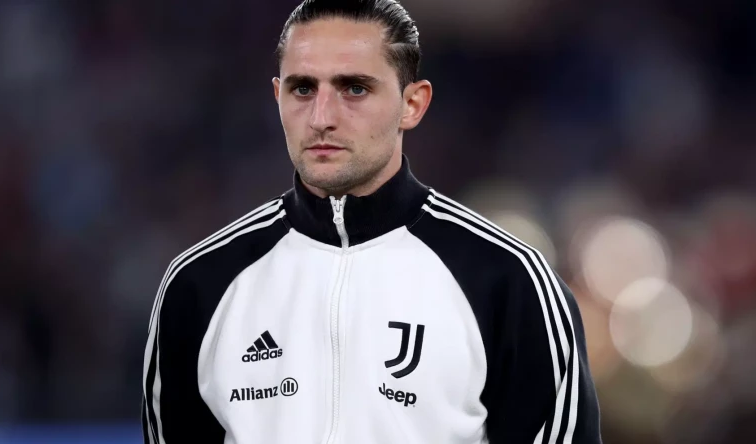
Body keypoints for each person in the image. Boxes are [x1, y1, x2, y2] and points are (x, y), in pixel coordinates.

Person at [142, 0, 602, 443]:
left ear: (412, 104)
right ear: (278, 97)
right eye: (304, 88)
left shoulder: (509, 280)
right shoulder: (200, 283)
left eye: (354, 88)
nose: (322, 117)